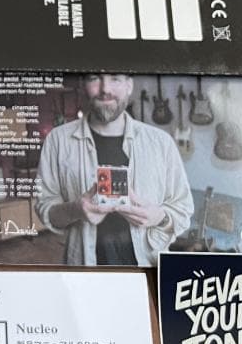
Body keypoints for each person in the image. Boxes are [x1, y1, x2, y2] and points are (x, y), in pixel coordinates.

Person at [36, 74, 193, 266]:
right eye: (94, 78)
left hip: (148, 269)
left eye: (115, 79)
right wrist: (75, 209)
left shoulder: (162, 143)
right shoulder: (57, 140)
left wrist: (159, 217)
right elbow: (46, 209)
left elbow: (183, 210)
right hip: (84, 271)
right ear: (83, 85)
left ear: (129, 85)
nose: (105, 89)